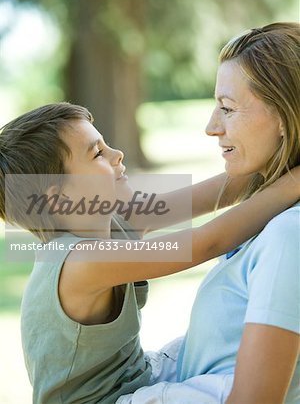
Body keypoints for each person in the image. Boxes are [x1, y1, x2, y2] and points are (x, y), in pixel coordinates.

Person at [0, 100, 298, 401]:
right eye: (98, 153)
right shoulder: (79, 262)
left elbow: (217, 194)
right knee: (237, 389)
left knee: (231, 345)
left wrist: (284, 152)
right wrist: (293, 183)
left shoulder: (119, 222)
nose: (117, 155)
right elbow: (208, 241)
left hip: (139, 376)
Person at [118, 22, 300, 404]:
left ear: (285, 116)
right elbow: (140, 216)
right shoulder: (268, 200)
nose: (210, 127)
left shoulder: (289, 234)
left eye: (227, 109)